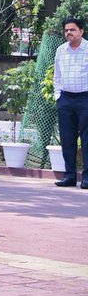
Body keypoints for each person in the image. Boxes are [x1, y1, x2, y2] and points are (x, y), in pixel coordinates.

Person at [53, 16, 88, 188]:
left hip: (85, 99)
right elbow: (56, 75)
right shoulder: (60, 50)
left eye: (72, 30)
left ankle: (87, 178)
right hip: (65, 99)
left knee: (87, 139)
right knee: (67, 139)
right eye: (66, 30)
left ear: (81, 31)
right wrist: (58, 96)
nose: (69, 33)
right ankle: (69, 176)